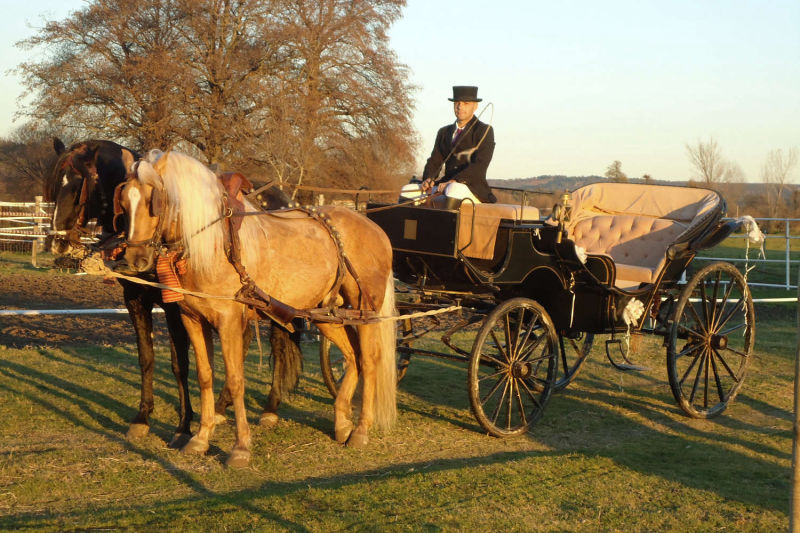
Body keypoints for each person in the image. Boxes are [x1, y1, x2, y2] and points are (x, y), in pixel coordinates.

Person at [403, 86, 496, 207]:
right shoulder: (444, 132)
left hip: (471, 188)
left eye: (466, 103)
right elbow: (434, 161)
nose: (460, 107)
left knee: (453, 189)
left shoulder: (484, 131)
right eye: (457, 103)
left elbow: (480, 165)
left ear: (475, 106)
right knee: (407, 190)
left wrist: (454, 180)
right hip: (445, 185)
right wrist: (429, 178)